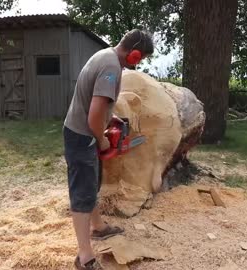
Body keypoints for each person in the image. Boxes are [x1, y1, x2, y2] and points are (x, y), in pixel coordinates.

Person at [63, 29, 154, 270]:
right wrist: (103, 141)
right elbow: (93, 117)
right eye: (140, 58)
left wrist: (111, 119)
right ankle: (84, 257)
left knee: (91, 184)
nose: (138, 63)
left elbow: (97, 107)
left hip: (83, 132)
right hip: (83, 135)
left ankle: (99, 227)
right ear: (135, 54)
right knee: (82, 192)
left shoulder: (105, 55)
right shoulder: (111, 68)